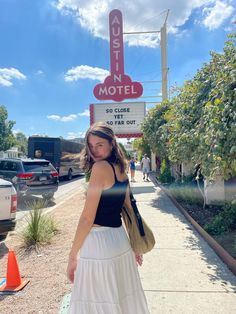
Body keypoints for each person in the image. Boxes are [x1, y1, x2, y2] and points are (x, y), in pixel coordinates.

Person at [67, 122, 149, 314]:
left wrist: (72, 256)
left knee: (97, 301)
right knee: (120, 298)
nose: (94, 150)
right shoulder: (121, 167)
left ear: (112, 143)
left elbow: (88, 218)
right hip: (119, 239)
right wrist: (134, 245)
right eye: (91, 146)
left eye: (100, 145)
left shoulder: (100, 168)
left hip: (99, 244)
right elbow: (128, 208)